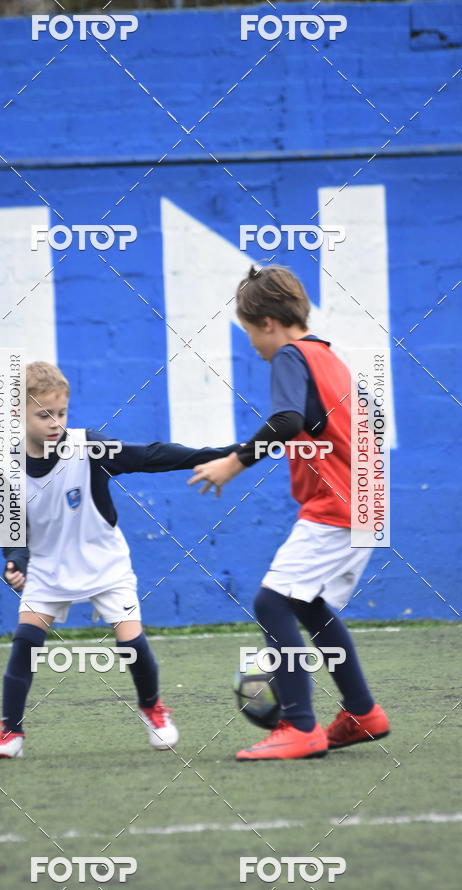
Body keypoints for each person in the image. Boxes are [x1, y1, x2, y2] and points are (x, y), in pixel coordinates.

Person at [0, 361, 237, 759]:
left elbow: (150, 456)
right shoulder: (6, 466)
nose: (55, 423)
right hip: (49, 568)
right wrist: (17, 562)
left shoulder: (88, 447)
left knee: (131, 642)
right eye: (44, 414)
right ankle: (10, 733)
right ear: (18, 415)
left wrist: (224, 455)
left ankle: (152, 708)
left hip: (105, 563)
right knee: (25, 643)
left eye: (62, 413)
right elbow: (12, 536)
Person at [188, 265, 390, 761]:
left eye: (249, 332)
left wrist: (233, 464)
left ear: (268, 324)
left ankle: (300, 726)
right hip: (366, 504)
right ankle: (363, 712)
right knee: (308, 603)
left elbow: (286, 421)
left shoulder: (289, 356)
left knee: (270, 603)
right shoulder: (328, 356)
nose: (253, 346)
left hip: (335, 506)